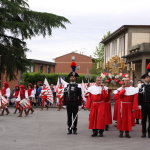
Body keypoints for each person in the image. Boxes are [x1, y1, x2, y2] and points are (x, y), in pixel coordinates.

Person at [139, 63, 150, 138]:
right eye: (146, 78)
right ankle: (143, 132)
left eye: (149, 77)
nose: (148, 79)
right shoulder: (141, 86)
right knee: (143, 120)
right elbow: (139, 96)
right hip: (144, 104)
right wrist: (139, 104)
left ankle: (149, 133)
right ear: (144, 79)